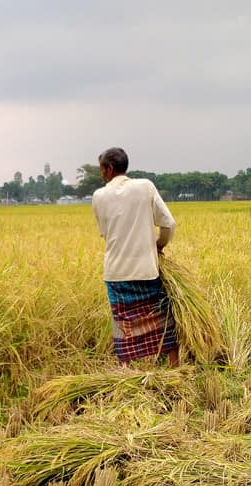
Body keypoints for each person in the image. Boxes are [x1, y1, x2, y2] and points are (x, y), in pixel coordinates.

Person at [91, 147, 179, 367]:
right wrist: (158, 246)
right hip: (146, 270)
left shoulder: (99, 196)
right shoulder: (145, 187)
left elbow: (105, 233)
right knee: (163, 319)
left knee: (123, 322)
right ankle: (175, 367)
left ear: (109, 168)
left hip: (116, 272)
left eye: (101, 169)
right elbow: (168, 223)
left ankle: (124, 370)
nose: (101, 174)